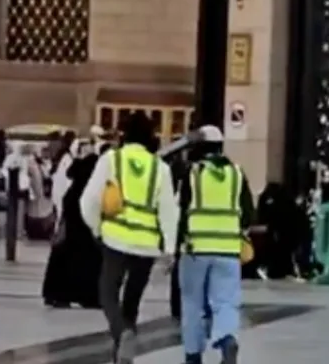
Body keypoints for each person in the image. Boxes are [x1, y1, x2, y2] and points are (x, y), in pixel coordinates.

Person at [81, 111, 179, 364]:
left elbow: (90, 199)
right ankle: (124, 354)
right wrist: (169, 249)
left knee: (107, 293)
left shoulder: (111, 159)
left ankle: (122, 333)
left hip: (115, 237)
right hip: (146, 244)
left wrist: (96, 227)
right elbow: (169, 210)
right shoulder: (161, 168)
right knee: (132, 300)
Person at [177, 125, 254, 364]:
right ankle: (227, 340)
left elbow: (182, 211)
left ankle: (193, 355)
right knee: (226, 302)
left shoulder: (192, 174)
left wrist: (176, 244)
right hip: (228, 251)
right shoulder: (237, 174)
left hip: (196, 249)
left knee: (193, 304)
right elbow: (249, 214)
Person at [42, 152, 102, 309]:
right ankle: (87, 296)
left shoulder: (76, 186)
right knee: (87, 263)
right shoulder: (88, 187)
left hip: (71, 230)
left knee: (64, 261)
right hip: (84, 232)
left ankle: (57, 294)